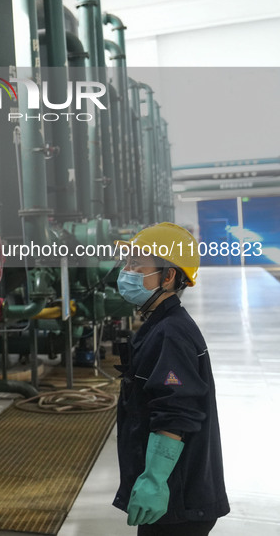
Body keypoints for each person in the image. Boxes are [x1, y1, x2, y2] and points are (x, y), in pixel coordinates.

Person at [112, 222, 230, 535]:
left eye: (137, 263)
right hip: (177, 499)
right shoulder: (161, 325)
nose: (127, 270)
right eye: (127, 262)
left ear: (168, 276)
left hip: (177, 501)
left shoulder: (171, 334)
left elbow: (177, 412)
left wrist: (154, 480)